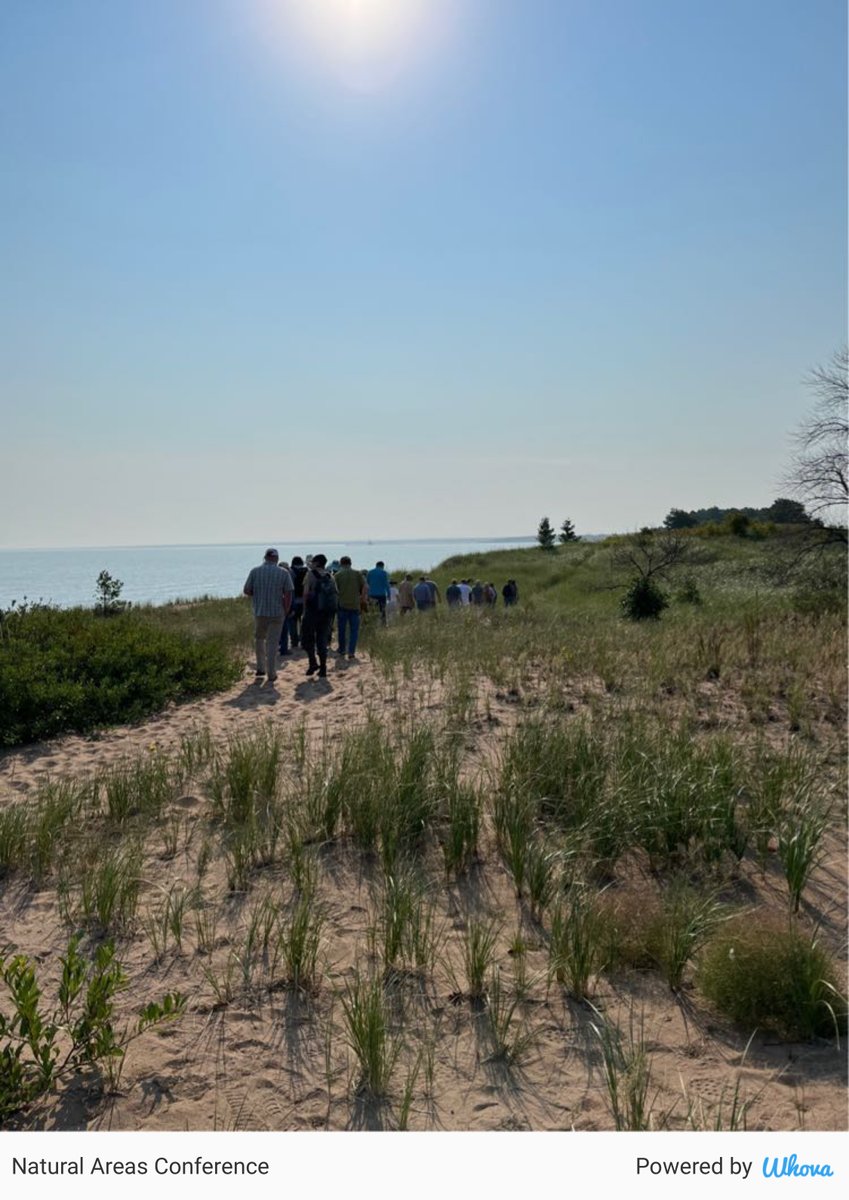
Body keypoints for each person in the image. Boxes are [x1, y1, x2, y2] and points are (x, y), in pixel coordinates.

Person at [243, 549, 293, 682]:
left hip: (260, 612)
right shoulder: (283, 572)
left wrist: (258, 594)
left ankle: (260, 668)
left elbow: (247, 590)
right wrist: (286, 609)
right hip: (277, 612)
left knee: (259, 639)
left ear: (265, 557)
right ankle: (271, 673)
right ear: (276, 558)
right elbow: (288, 593)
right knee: (272, 643)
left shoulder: (255, 571)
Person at [301, 554, 338, 678]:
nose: (311, 563)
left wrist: (304, 609)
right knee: (322, 639)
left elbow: (306, 593)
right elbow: (335, 593)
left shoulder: (310, 574)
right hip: (327, 612)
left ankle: (312, 662)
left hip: (312, 611)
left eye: (312, 562)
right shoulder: (330, 576)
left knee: (307, 638)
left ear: (316, 563)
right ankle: (323, 667)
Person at [334, 555, 366, 660]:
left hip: (342, 605)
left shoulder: (337, 575)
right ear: (350, 563)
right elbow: (365, 587)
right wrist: (362, 599)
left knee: (342, 630)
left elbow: (335, 591)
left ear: (341, 564)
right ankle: (351, 652)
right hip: (355, 605)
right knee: (354, 631)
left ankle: (342, 649)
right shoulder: (357, 574)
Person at [280, 555, 307, 654]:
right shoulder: (306, 571)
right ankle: (303, 641)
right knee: (303, 622)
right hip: (305, 600)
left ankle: (294, 642)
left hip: (294, 600)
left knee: (292, 622)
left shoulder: (290, 572)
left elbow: (289, 589)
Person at [366, 560, 391, 625]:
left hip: (372, 595)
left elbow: (367, 583)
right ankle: (383, 624)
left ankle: (372, 623)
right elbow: (387, 585)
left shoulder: (370, 572)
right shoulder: (384, 573)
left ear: (376, 565)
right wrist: (389, 595)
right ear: (382, 566)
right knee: (382, 610)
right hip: (381, 595)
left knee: (372, 610)